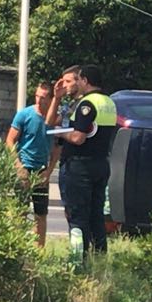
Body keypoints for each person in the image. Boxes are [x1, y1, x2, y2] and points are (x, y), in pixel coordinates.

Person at [46, 64, 117, 269]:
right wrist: (57, 98)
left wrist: (59, 133)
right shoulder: (109, 102)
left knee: (76, 216)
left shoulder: (86, 104)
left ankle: (76, 264)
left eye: (72, 81)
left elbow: (77, 137)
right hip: (101, 164)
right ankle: (100, 262)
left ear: (83, 80)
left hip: (79, 167)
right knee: (96, 216)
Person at [5, 81, 58, 247]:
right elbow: (10, 139)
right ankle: (17, 246)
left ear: (50, 99)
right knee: (20, 211)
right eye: (37, 96)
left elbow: (57, 147)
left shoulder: (55, 119)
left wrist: (49, 171)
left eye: (43, 97)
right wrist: (18, 166)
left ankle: (39, 250)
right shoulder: (24, 114)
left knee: (40, 214)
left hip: (41, 170)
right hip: (24, 166)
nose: (39, 100)